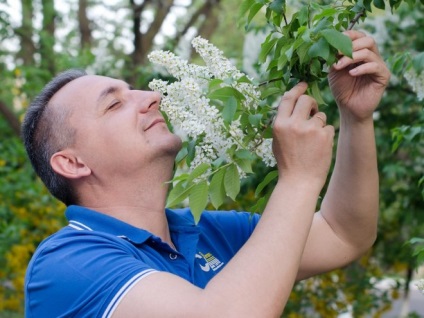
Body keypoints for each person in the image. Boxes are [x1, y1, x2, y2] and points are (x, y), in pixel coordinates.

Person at [23, 30, 390, 317]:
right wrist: (298, 179)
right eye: (115, 103)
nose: (150, 97)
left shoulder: (208, 231)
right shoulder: (68, 263)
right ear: (73, 163)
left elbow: (345, 233)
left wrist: (356, 119)